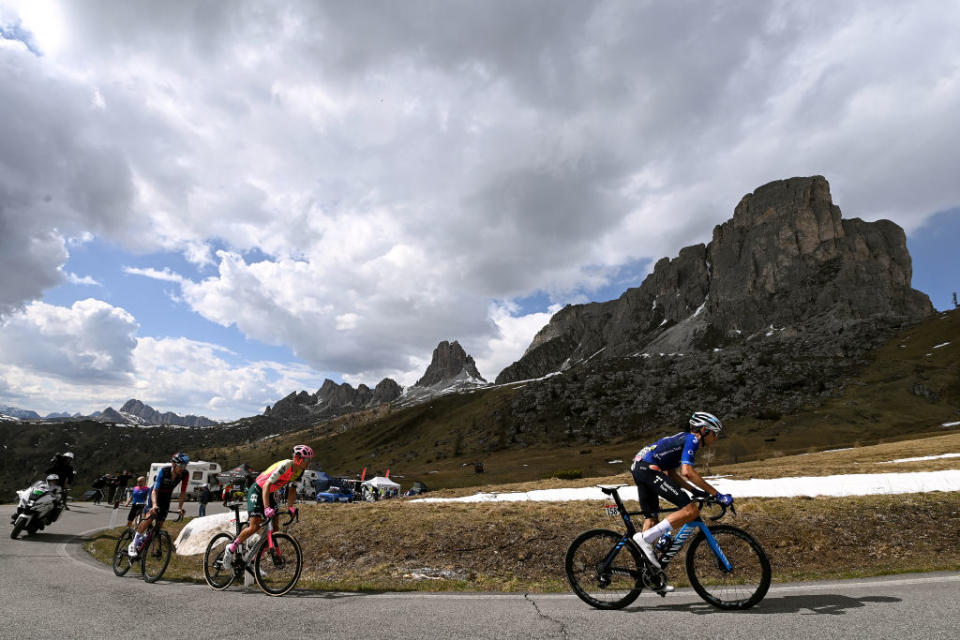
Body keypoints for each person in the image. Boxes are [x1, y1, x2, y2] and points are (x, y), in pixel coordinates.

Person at [629, 412, 733, 588]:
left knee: (652, 519)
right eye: (715, 433)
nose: (716, 438)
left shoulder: (681, 439)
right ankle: (645, 540)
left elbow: (671, 473)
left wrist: (694, 491)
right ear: (705, 430)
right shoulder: (692, 440)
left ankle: (647, 572)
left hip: (640, 467)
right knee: (691, 510)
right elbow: (688, 472)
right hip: (648, 469)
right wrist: (717, 494)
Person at [222, 445, 313, 569]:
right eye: (307, 460)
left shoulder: (299, 471)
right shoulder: (286, 465)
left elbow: (292, 489)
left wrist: (291, 507)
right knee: (254, 526)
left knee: (274, 528)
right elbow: (266, 485)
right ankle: (231, 548)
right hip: (258, 489)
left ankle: (254, 560)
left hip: (269, 493)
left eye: (310, 460)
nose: (309, 463)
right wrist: (266, 508)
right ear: (298, 459)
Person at [128, 453, 190, 557]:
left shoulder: (185, 474)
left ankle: (146, 537)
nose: (183, 468)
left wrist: (180, 508)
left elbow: (183, 492)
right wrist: (154, 505)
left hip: (166, 496)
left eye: (185, 466)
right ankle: (133, 543)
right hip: (156, 493)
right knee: (150, 517)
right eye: (181, 465)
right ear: (174, 464)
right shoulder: (164, 471)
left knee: (160, 524)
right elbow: (155, 490)